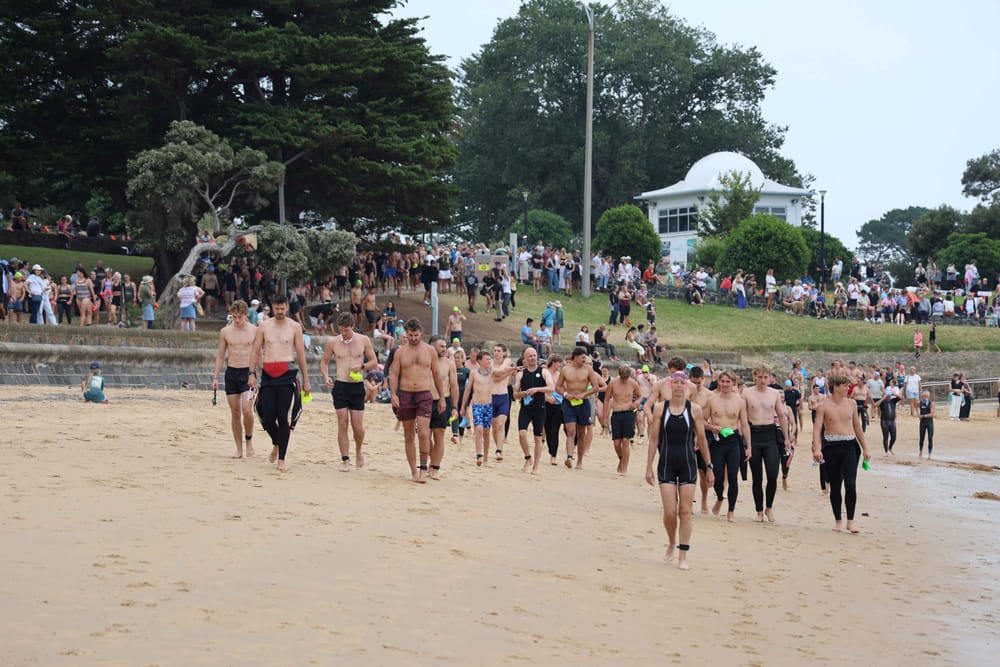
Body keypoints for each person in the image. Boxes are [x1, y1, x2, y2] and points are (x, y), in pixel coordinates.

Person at [645, 370, 713, 570]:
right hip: (666, 463)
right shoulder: (660, 408)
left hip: (688, 464)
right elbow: (654, 439)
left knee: (685, 511)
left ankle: (683, 555)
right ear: (670, 385)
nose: (678, 386)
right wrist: (648, 466)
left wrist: (709, 467)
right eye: (674, 382)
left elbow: (701, 440)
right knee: (669, 511)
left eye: (681, 383)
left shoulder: (695, 410)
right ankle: (671, 542)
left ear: (686, 387)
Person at [248, 295, 311, 472]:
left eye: (283, 308)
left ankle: (281, 458)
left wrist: (306, 380)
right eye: (277, 308)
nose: (280, 311)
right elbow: (255, 351)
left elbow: (300, 354)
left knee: (283, 417)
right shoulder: (264, 326)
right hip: (268, 373)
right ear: (273, 308)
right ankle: (276, 442)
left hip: (287, 374)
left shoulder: (295, 327)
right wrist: (251, 373)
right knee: (267, 416)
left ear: (287, 308)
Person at [812, 372, 871, 533]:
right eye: (845, 385)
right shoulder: (824, 405)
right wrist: (817, 448)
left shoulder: (851, 404)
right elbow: (817, 429)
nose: (848, 388)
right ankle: (838, 519)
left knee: (851, 483)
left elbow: (857, 427)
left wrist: (865, 447)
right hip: (831, 446)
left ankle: (850, 520)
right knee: (836, 485)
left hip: (849, 446)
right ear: (836, 387)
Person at [389, 318, 446, 483]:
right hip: (406, 394)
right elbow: (394, 374)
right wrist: (393, 394)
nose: (413, 338)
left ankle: (423, 469)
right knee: (408, 435)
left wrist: (442, 397)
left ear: (421, 333)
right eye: (410, 335)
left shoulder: (430, 351)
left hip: (424, 394)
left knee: (423, 433)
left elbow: (436, 374)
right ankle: (413, 470)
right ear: (406, 334)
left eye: (416, 335)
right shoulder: (400, 352)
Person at [320, 312, 378, 472]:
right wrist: (326, 377)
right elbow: (323, 362)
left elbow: (374, 362)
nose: (343, 334)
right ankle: (345, 458)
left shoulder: (363, 340)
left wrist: (362, 367)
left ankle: (359, 450)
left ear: (352, 326)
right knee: (342, 421)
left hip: (357, 385)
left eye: (346, 330)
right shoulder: (333, 342)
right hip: (340, 385)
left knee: (357, 425)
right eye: (341, 330)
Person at [744, 366, 790, 523]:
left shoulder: (774, 393)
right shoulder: (747, 393)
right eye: (760, 377)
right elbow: (742, 417)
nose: (763, 380)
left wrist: (787, 437)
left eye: (766, 377)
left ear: (770, 377)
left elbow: (782, 416)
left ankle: (768, 507)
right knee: (757, 477)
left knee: (772, 475)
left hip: (770, 435)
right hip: (754, 434)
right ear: (755, 377)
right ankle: (759, 511)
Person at [703, 370, 751, 522]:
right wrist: (712, 428)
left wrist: (748, 446)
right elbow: (702, 421)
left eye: (728, 382)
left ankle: (731, 511)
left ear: (733, 383)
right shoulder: (712, 400)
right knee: (716, 476)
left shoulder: (740, 402)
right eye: (722, 381)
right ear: (719, 382)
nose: (725, 384)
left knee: (732, 475)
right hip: (717, 441)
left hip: (733, 441)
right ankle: (719, 497)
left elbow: (745, 425)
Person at [212, 301, 257, 458]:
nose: (237, 320)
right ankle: (239, 449)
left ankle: (249, 440)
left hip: (248, 372)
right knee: (235, 412)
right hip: (232, 372)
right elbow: (220, 355)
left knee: (247, 409)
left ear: (246, 315)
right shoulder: (225, 331)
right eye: (235, 317)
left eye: (240, 317)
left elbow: (260, 354)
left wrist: (264, 375)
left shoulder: (254, 331)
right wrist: (215, 377)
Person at [554, 347, 606, 469]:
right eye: (582, 357)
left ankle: (580, 461)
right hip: (569, 402)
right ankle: (569, 456)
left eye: (585, 357)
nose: (585, 359)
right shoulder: (565, 370)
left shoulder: (588, 370)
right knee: (570, 430)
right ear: (575, 357)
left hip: (583, 402)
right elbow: (558, 387)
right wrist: (566, 395)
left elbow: (595, 387)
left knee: (582, 433)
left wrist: (584, 394)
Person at [513, 346, 555, 473]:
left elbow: (551, 388)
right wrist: (523, 394)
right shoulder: (521, 374)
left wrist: (537, 389)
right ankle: (528, 457)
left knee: (538, 438)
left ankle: (535, 466)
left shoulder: (544, 372)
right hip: (525, 408)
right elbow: (515, 394)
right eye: (530, 356)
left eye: (534, 355)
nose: (532, 358)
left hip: (539, 408)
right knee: (522, 433)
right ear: (525, 359)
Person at [428, 335, 460, 479]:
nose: (444, 348)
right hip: (425, 401)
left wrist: (454, 406)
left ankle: (435, 467)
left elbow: (454, 386)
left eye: (445, 346)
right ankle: (430, 460)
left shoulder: (449, 364)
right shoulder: (424, 362)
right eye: (441, 346)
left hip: (442, 401)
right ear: (432, 346)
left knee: (439, 434)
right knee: (424, 435)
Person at [461, 350, 496, 466]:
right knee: (479, 429)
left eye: (490, 359)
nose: (489, 361)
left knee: (486, 432)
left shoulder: (492, 372)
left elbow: (504, 372)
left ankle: (486, 457)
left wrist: (512, 369)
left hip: (489, 405)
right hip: (477, 404)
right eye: (487, 359)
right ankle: (479, 454)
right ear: (480, 361)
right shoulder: (473, 373)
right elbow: (467, 390)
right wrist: (463, 406)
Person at [606, 365, 640, 475]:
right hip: (616, 413)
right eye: (623, 378)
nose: (625, 380)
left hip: (628, 412)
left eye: (626, 378)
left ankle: (625, 468)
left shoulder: (633, 383)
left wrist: (635, 403)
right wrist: (605, 416)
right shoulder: (613, 383)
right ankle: (621, 458)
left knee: (625, 441)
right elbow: (607, 399)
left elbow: (640, 396)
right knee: (616, 443)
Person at [487, 343, 518, 460]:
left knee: (501, 424)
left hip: (503, 397)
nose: (496, 353)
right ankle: (497, 446)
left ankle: (499, 450)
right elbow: (495, 374)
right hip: (491, 397)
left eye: (499, 351)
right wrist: (507, 372)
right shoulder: (489, 362)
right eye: (494, 351)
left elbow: (499, 371)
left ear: (504, 353)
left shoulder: (508, 360)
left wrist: (505, 371)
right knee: (494, 427)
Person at [875, 382, 901, 455]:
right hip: (884, 421)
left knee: (894, 437)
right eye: (888, 396)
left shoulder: (893, 401)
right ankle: (886, 451)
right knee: (885, 436)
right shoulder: (883, 402)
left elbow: (902, 398)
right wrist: (883, 398)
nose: (889, 397)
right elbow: (875, 405)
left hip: (892, 421)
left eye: (890, 396)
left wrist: (894, 394)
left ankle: (890, 448)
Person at [918, 390, 935, 459]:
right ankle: (920, 451)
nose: (925, 397)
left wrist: (923, 416)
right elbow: (915, 407)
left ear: (929, 396)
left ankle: (929, 454)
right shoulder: (920, 403)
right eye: (924, 396)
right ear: (922, 396)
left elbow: (932, 414)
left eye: (927, 396)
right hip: (922, 422)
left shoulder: (931, 403)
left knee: (930, 438)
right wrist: (918, 414)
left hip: (929, 422)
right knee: (921, 438)